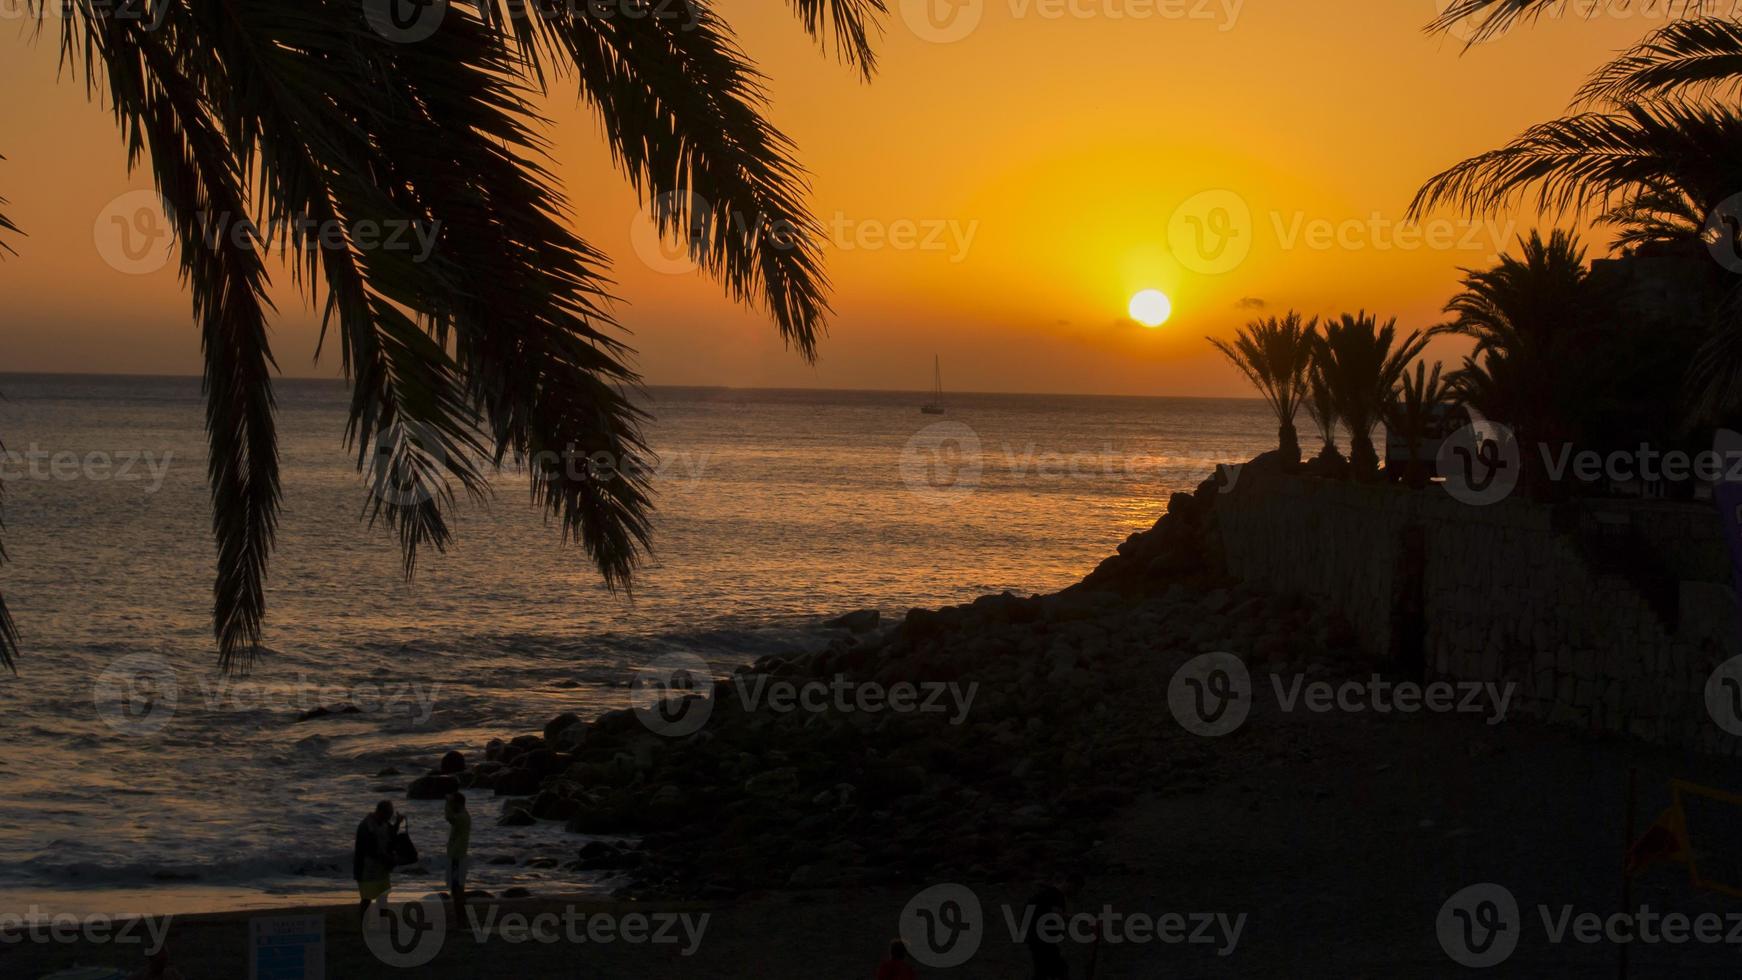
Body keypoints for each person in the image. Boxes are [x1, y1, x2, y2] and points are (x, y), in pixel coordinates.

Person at [1023, 873, 1084, 980]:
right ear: (1071, 884)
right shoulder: (1055, 895)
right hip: (1042, 940)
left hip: (1038, 939)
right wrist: (1083, 919)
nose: (1076, 893)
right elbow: (1058, 916)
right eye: (1077, 889)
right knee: (1058, 969)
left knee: (1044, 971)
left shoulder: (1046, 894)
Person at [354, 800, 402, 922]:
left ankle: (383, 924)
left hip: (381, 868)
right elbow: (369, 850)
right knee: (366, 899)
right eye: (388, 814)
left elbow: (391, 837)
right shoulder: (366, 826)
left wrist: (397, 824)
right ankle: (364, 926)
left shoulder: (384, 823)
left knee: (383, 897)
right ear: (380, 812)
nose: (389, 817)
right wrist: (389, 859)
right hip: (367, 868)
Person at [444, 791, 472, 926]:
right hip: (457, 856)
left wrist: (447, 803)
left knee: (457, 889)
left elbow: (448, 817)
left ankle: (462, 920)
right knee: (457, 889)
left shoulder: (462, 817)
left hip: (457, 857)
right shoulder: (464, 816)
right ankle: (461, 919)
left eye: (453, 802)